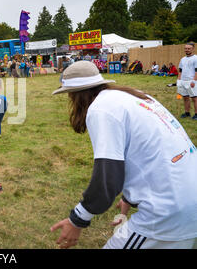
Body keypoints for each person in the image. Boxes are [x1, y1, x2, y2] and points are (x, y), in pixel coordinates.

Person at [50, 61, 197, 249]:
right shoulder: (131, 96)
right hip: (187, 195)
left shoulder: (101, 109)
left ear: (75, 94)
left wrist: (77, 220)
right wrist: (129, 197)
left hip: (168, 211)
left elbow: (107, 178)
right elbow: (145, 150)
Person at [177, 42, 197, 120]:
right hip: (183, 81)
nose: (187, 50)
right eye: (185, 48)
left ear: (193, 49)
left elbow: (196, 71)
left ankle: (196, 114)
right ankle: (187, 113)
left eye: (189, 48)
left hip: (191, 81)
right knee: (185, 97)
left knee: (194, 98)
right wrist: (179, 80)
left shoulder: (195, 58)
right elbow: (180, 70)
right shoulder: (182, 59)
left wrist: (194, 81)